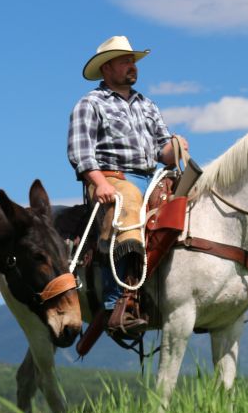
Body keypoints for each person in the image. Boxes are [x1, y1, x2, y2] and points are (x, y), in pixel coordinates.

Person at [67, 35, 189, 337]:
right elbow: (81, 152)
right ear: (107, 68)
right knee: (129, 205)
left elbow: (162, 149)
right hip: (114, 178)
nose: (132, 66)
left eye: (132, 60)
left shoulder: (147, 104)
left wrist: (174, 148)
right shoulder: (90, 104)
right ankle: (117, 301)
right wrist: (97, 182)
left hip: (153, 175)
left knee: (191, 201)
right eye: (125, 60)